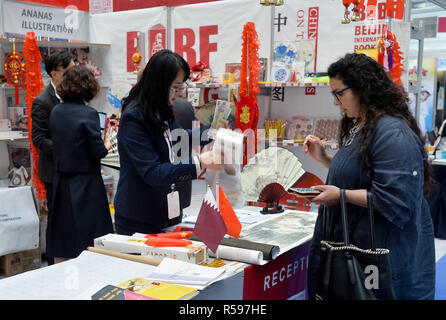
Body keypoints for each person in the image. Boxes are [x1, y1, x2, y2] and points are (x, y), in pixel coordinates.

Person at [303, 53, 435, 300]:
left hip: (381, 257)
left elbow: (396, 199)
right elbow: (362, 174)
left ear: (362, 89)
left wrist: (340, 196)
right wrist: (324, 159)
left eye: (339, 93)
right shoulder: (361, 124)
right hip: (355, 247)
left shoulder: (392, 133)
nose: (335, 102)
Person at [114, 49, 225, 236]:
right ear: (159, 84)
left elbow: (178, 137)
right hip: (140, 217)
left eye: (181, 87)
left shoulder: (161, 107)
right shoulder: (133, 118)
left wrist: (212, 131)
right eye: (175, 87)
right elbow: (152, 173)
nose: (179, 94)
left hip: (167, 210)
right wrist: (200, 162)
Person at [48, 65, 114, 263]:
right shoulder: (89, 114)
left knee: (63, 237)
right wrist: (108, 142)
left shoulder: (56, 112)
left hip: (61, 181)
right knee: (91, 239)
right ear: (89, 87)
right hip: (86, 182)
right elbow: (98, 151)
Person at [31, 50, 75, 265]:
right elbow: (38, 139)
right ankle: (52, 262)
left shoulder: (73, 96)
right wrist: (65, 149)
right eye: (68, 71)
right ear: (54, 74)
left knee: (72, 217)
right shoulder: (42, 101)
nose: (72, 75)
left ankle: (70, 257)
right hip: (54, 171)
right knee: (56, 219)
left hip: (74, 169)